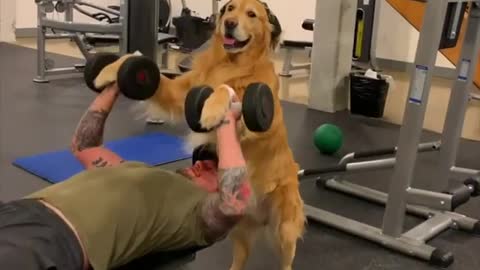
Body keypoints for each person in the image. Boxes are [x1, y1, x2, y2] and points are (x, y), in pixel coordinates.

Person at [0, 82, 252, 270]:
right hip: (17, 210)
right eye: (201, 162)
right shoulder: (137, 171)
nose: (200, 165)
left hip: (50, 240)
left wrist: (225, 118)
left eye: (210, 168)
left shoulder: (197, 216)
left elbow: (234, 204)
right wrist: (115, 87)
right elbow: (84, 146)